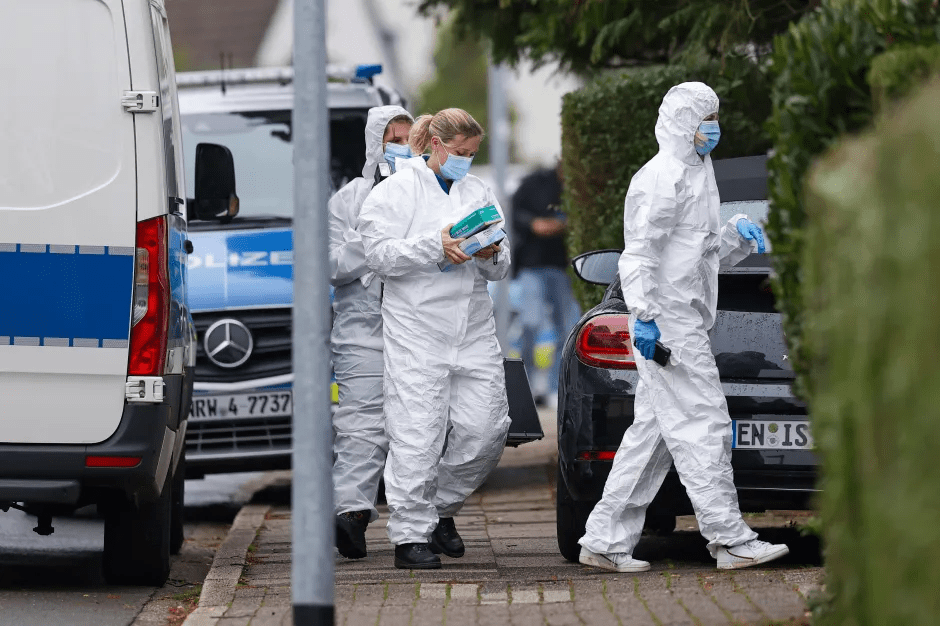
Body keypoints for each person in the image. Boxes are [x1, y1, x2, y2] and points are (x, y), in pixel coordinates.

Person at [577, 82, 788, 573]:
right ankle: (729, 539)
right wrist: (646, 317)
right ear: (680, 124)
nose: (711, 128)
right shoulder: (661, 177)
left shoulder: (699, 172)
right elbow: (639, 257)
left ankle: (604, 540)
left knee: (652, 439)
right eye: (703, 119)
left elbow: (698, 258)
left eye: (714, 117)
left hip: (684, 317)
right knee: (704, 425)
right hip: (668, 323)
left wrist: (735, 236)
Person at [359, 108, 512, 570]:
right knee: (417, 434)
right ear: (437, 145)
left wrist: (489, 253)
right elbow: (378, 255)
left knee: (487, 430)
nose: (466, 160)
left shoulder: (477, 190)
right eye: (460, 152)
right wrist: (435, 246)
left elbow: (501, 266)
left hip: (472, 328)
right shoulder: (395, 191)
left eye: (473, 153)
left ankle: (441, 507)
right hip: (417, 331)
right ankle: (410, 536)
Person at [329, 105, 414, 559]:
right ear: (374, 144)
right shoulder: (348, 201)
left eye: (407, 139)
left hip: (416, 327)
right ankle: (351, 513)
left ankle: (426, 518)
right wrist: (371, 234)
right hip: (361, 330)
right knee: (360, 421)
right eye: (392, 140)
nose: (400, 147)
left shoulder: (426, 193)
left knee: (420, 423)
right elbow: (331, 266)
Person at [510, 162, 580, 407]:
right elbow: (514, 213)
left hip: (562, 267)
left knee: (567, 329)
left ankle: (554, 388)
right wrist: (534, 224)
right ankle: (526, 385)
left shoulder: (576, 188)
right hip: (532, 265)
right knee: (531, 323)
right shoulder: (534, 183)